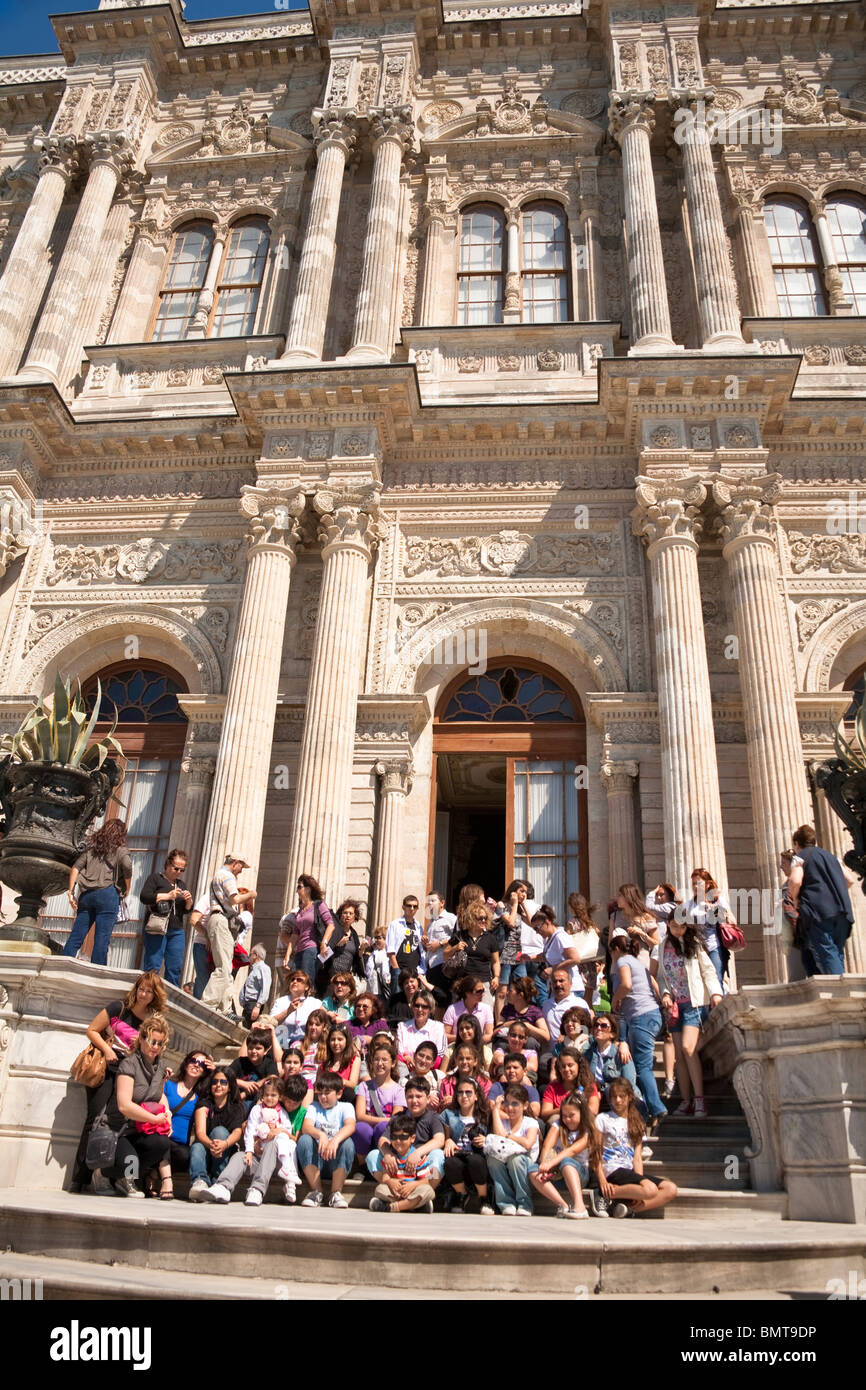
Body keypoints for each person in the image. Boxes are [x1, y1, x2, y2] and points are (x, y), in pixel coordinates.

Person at [71, 970, 167, 1192]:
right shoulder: (119, 1008)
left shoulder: (152, 1020)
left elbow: (154, 1047)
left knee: (122, 1124)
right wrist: (106, 1050)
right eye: (141, 989)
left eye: (149, 991)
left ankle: (111, 1173)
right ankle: (81, 1178)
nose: (143, 994)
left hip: (131, 1073)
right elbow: (92, 1030)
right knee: (94, 1119)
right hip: (105, 1070)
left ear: (155, 995)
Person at [97, 1013, 173, 1199]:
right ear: (141, 1039)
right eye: (152, 1041)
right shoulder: (129, 1065)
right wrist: (154, 1119)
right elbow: (124, 1106)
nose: (155, 1047)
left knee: (162, 1143)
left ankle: (127, 1176)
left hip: (140, 1130)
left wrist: (167, 1112)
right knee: (129, 1162)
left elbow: (158, 1094)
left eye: (160, 1043)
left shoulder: (161, 1067)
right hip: (118, 1130)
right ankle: (103, 1173)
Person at [205, 1073, 309, 1206]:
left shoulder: (282, 1112)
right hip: (257, 1157)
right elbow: (249, 1131)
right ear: (262, 1095)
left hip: (277, 1163)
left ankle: (257, 1189)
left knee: (274, 1143)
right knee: (239, 1156)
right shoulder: (256, 1110)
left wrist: (277, 1131)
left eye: (273, 1095)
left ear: (279, 1096)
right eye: (267, 1095)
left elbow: (288, 1136)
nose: (270, 1099)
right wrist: (249, 1150)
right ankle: (223, 1186)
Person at [657, 917, 723, 1118]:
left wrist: (715, 993)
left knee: (688, 1047)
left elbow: (708, 971)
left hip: (694, 1002)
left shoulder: (694, 944)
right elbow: (662, 976)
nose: (678, 930)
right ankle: (686, 1100)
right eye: (674, 926)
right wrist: (666, 994)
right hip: (675, 1007)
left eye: (682, 927)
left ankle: (699, 1099)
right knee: (679, 1055)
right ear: (668, 924)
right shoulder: (662, 946)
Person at [594, 1078, 678, 1217]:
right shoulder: (603, 1118)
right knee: (650, 1190)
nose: (618, 1100)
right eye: (614, 1096)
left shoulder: (637, 1121)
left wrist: (639, 1187)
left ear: (630, 1097)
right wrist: (602, 1180)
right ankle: (604, 1193)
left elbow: (637, 1158)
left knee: (670, 1189)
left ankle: (628, 1210)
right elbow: (595, 1151)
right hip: (611, 1169)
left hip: (628, 1172)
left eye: (622, 1096)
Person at [609, 934, 667, 1130]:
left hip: (640, 1016)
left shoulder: (623, 961)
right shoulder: (638, 963)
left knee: (642, 1069)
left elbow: (626, 985)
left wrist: (615, 1000)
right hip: (650, 1014)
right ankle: (649, 1110)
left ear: (616, 949)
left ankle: (657, 1108)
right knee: (642, 1065)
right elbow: (654, 984)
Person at [62, 818, 133, 968]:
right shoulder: (120, 850)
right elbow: (127, 865)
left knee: (76, 936)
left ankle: (62, 966)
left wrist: (70, 892)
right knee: (102, 938)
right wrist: (127, 887)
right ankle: (97, 972)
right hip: (107, 894)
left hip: (86, 895)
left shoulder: (91, 849)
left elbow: (75, 868)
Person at [788, 825, 856, 976]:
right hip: (842, 911)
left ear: (797, 844)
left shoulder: (800, 857)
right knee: (837, 954)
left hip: (817, 912)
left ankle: (840, 996)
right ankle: (843, 991)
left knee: (827, 954)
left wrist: (796, 899)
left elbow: (795, 881)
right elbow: (850, 880)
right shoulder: (832, 857)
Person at [368, 1077, 446, 1192]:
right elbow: (383, 1140)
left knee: (438, 1155)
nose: (414, 1101)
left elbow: (439, 1140)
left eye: (419, 1096)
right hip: (398, 1164)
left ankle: (425, 1191)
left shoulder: (433, 1118)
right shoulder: (398, 1117)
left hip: (421, 1166)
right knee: (373, 1156)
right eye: (410, 1097)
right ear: (405, 1098)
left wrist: (417, 1154)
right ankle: (394, 1187)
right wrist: (388, 1154)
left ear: (428, 1098)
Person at [202, 854, 257, 1015]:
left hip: (220, 920)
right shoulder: (227, 876)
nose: (240, 872)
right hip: (221, 920)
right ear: (235, 863)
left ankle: (225, 1007)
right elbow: (235, 899)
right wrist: (251, 895)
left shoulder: (219, 875)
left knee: (227, 965)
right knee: (224, 966)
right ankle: (209, 1002)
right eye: (241, 867)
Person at [530, 1092, 595, 1219]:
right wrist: (544, 1165)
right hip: (558, 1174)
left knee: (566, 1161)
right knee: (532, 1171)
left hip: (579, 1175)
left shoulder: (588, 1130)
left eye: (571, 1115)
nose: (567, 1119)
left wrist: (549, 1164)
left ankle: (580, 1207)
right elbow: (547, 1145)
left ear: (582, 1114)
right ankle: (563, 1206)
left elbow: (571, 1151)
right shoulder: (558, 1124)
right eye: (564, 1116)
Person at [298, 1071, 357, 1208]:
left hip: (335, 1161)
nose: (323, 1097)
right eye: (320, 1093)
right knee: (304, 1140)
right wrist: (321, 1135)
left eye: (327, 1093)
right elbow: (306, 1127)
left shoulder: (346, 1107)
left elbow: (350, 1126)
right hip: (315, 1160)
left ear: (339, 1094)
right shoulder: (314, 1107)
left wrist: (335, 1141)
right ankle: (316, 1191)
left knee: (348, 1143)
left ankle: (335, 1193)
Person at [188, 1067, 245, 1199]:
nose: (218, 1085)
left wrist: (224, 1144)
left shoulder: (236, 1106)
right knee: (196, 1146)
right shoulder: (204, 1104)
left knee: (220, 1132)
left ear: (230, 1087)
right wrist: (212, 1145)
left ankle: (218, 1180)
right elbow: (200, 1132)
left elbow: (237, 1131)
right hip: (206, 1149)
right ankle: (199, 1181)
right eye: (215, 1082)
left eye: (223, 1082)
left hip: (226, 1151)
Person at [138, 848, 192, 985]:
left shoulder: (181, 884)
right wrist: (167, 896)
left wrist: (189, 902)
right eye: (176, 868)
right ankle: (147, 996)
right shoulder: (155, 878)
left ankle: (169, 1001)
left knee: (175, 967)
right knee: (153, 966)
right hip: (157, 927)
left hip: (176, 930)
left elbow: (185, 911)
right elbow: (144, 897)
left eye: (182, 870)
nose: (178, 872)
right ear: (168, 864)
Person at [440, 1077, 493, 1214]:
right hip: (458, 1157)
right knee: (451, 1163)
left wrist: (486, 1140)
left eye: (468, 1093)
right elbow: (443, 1136)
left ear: (476, 1096)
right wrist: (448, 1140)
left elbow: (497, 1136)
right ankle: (462, 1195)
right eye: (460, 1092)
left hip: (478, 1159)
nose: (464, 1096)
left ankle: (484, 1197)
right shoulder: (448, 1115)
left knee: (475, 1160)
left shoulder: (486, 1116)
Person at [487, 1084, 540, 1216]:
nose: (510, 1108)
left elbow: (527, 1144)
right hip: (505, 1159)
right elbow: (498, 1138)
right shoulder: (503, 1121)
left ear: (525, 1105)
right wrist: (495, 1110)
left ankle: (525, 1204)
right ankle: (506, 1203)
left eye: (515, 1104)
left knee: (515, 1159)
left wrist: (507, 1136)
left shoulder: (531, 1122)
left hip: (526, 1162)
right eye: (507, 1103)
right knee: (493, 1160)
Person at [368, 1114, 437, 1214]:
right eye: (394, 1137)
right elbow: (385, 1178)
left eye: (403, 1137)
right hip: (396, 1192)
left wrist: (413, 1185)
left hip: (412, 1191)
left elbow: (425, 1181)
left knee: (428, 1191)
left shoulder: (417, 1157)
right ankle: (413, 1206)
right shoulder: (390, 1158)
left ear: (412, 1138)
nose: (398, 1141)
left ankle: (390, 1207)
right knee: (380, 1189)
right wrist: (391, 1182)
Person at [164, 1049, 213, 1179]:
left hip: (180, 1147)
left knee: (186, 1157)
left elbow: (222, 1090)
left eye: (202, 1064)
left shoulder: (201, 1096)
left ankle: (153, 1175)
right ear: (186, 1064)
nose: (197, 1065)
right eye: (193, 1061)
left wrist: (214, 1072)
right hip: (163, 1137)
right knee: (161, 1145)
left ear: (204, 1072)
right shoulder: (168, 1085)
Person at [442, 901, 500, 1010]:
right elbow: (445, 955)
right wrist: (455, 948)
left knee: (485, 1014)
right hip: (463, 982)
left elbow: (496, 961)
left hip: (484, 982)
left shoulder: (490, 938)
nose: (483, 920)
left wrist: (496, 977)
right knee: (461, 1015)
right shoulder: (459, 936)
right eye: (480, 918)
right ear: (472, 918)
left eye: (485, 918)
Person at [354, 1038, 405, 1158]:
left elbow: (395, 1119)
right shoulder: (364, 1086)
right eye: (376, 1059)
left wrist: (380, 1122)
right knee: (360, 1128)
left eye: (384, 1060)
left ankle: (383, 1159)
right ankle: (362, 1165)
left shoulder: (398, 1090)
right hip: (367, 1128)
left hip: (384, 1132)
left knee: (383, 1127)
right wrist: (385, 1120)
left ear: (393, 1063)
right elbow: (360, 1116)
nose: (379, 1063)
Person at [684, 868, 733, 990]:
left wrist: (712, 909)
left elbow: (732, 921)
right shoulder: (688, 905)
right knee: (701, 985)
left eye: (698, 883)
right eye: (693, 884)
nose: (695, 887)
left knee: (717, 981)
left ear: (708, 884)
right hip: (696, 950)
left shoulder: (717, 901)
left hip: (714, 947)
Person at [282, 874, 335, 983]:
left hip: (311, 950)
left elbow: (331, 924)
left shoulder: (319, 905)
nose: (297, 891)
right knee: (294, 982)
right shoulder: (300, 912)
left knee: (306, 983)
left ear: (308, 889)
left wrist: (324, 943)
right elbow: (294, 936)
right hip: (299, 952)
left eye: (299, 887)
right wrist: (287, 956)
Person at [578, 1015, 638, 1097]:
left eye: (604, 1026)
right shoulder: (588, 1054)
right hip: (597, 1097)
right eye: (596, 1025)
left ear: (612, 1034)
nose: (599, 1028)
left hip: (623, 1099)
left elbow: (629, 1085)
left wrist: (623, 1044)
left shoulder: (621, 1053)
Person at [493, 977, 549, 1059]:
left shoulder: (534, 1011)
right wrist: (507, 1024)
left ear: (520, 995)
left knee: (531, 1042)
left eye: (511, 991)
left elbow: (546, 1036)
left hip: (526, 1049)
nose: (507, 993)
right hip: (508, 1046)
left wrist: (526, 1026)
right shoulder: (507, 1009)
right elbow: (495, 1032)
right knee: (501, 1043)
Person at [227, 1023, 284, 1104]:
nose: (254, 1051)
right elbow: (225, 1077)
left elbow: (273, 1077)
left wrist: (254, 1086)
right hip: (238, 1098)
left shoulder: (268, 1063)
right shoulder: (240, 1062)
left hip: (259, 1100)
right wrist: (244, 1084)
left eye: (258, 1048)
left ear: (266, 1051)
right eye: (250, 1048)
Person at [493, 880, 530, 1005]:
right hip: (504, 953)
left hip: (518, 953)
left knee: (522, 988)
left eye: (526, 892)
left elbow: (532, 923)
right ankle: (499, 1022)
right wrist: (514, 904)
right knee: (502, 991)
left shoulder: (518, 908)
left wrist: (523, 905)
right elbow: (510, 922)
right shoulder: (501, 905)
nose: (524, 894)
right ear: (513, 891)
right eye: (522, 891)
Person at [541, 1046, 598, 1121]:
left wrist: (574, 1111)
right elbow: (544, 1114)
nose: (567, 1069)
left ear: (579, 1066)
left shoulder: (589, 1085)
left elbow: (593, 1111)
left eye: (570, 1065)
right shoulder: (552, 1087)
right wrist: (564, 1109)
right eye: (563, 1066)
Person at [608, 884, 659, 968]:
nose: (617, 898)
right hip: (620, 965)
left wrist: (642, 934)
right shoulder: (615, 916)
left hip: (641, 963)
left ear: (629, 897)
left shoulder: (646, 918)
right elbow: (610, 943)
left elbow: (656, 945)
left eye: (620, 895)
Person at [385, 895, 425, 997]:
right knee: (397, 1002)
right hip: (399, 970)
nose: (412, 909)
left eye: (415, 906)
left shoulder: (419, 926)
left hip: (415, 972)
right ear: (403, 907)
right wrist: (396, 969)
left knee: (414, 1003)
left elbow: (420, 949)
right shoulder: (395, 924)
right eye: (409, 906)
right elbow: (390, 949)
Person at [272, 970, 322, 1049]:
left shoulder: (315, 1003)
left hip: (307, 1045)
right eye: (292, 979)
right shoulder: (280, 1002)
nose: (294, 982)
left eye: (299, 980)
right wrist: (288, 1011)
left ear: (306, 987)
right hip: (283, 1045)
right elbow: (271, 1023)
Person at [396, 989, 447, 1065]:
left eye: (424, 1007)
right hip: (407, 1069)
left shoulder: (438, 1027)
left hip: (429, 1070)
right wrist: (407, 1058)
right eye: (417, 1005)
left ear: (430, 1009)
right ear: (412, 1007)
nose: (420, 1009)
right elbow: (400, 1053)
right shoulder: (402, 1027)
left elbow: (440, 1055)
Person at [422, 890, 457, 999]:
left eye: (433, 900)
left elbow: (456, 937)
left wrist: (441, 944)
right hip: (431, 965)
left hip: (443, 964)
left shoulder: (451, 918)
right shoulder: (431, 922)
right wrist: (425, 943)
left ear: (442, 903)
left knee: (442, 997)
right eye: (429, 901)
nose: (430, 904)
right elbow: (430, 947)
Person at [443, 975, 494, 1045]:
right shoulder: (452, 1009)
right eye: (479, 991)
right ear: (467, 993)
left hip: (478, 1048)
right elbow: (445, 1035)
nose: (482, 994)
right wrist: (463, 1038)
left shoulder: (486, 1009)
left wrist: (473, 1040)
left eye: (483, 990)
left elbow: (489, 1035)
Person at [438, 1041, 492, 1107]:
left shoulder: (485, 1082)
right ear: (456, 1060)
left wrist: (455, 1101)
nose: (464, 1062)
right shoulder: (447, 1082)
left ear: (475, 1061)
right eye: (461, 1058)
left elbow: (485, 1106)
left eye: (468, 1059)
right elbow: (442, 1106)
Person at [488, 1053, 541, 1118]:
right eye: (508, 1068)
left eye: (515, 1067)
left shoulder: (531, 1090)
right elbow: (491, 1106)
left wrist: (501, 1107)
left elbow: (535, 1112)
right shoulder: (498, 1087)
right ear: (504, 1071)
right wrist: (510, 1118)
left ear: (525, 1071)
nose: (511, 1071)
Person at [323, 899, 363, 984]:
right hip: (329, 978)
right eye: (345, 913)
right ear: (340, 915)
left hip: (345, 980)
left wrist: (362, 950)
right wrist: (337, 945)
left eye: (351, 913)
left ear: (355, 917)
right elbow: (322, 957)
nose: (348, 916)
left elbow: (356, 960)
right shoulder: (333, 931)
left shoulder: (354, 935)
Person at [238, 943, 272, 1027]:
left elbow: (265, 988)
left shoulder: (263, 968)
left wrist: (258, 1006)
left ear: (255, 955)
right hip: (247, 1006)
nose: (249, 957)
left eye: (250, 954)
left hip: (253, 1005)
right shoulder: (255, 969)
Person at [347, 991, 388, 1058]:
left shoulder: (381, 1024)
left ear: (373, 1010)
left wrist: (370, 1040)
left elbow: (387, 1042)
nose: (360, 1009)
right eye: (358, 1006)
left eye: (365, 1006)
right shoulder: (348, 1025)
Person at [323, 1024, 361, 1095]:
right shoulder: (325, 1062)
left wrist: (334, 1081)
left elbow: (353, 1084)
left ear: (347, 1041)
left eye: (340, 1039)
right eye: (333, 1039)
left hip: (345, 1098)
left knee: (348, 1092)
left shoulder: (354, 1059)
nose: (336, 1043)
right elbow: (318, 1086)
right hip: (326, 1097)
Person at [363, 927, 391, 999]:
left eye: (379, 938)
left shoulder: (387, 953)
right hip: (371, 988)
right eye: (375, 938)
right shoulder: (374, 953)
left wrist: (388, 979)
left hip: (381, 989)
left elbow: (386, 971)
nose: (376, 940)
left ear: (385, 938)